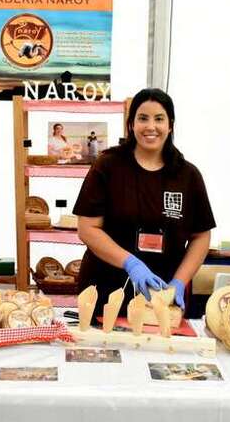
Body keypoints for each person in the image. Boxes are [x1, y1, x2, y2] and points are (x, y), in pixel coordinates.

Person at [73, 88, 215, 321]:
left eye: (159, 119)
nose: (151, 126)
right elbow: (87, 229)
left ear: (170, 125)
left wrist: (179, 282)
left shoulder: (187, 175)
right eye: (143, 118)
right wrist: (131, 263)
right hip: (106, 291)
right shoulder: (108, 166)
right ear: (131, 124)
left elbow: (201, 236)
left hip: (162, 297)